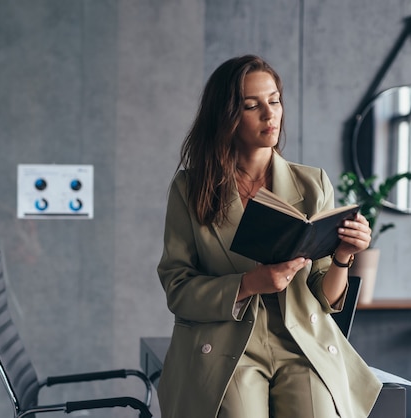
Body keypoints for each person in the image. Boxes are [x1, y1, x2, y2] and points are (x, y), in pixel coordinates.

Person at [157, 55, 381, 418]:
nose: (269, 114)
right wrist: (248, 283)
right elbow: (178, 289)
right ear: (227, 116)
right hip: (228, 340)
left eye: (274, 100)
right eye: (252, 105)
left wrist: (342, 256)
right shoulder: (190, 188)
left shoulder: (313, 184)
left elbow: (325, 297)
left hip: (301, 341)